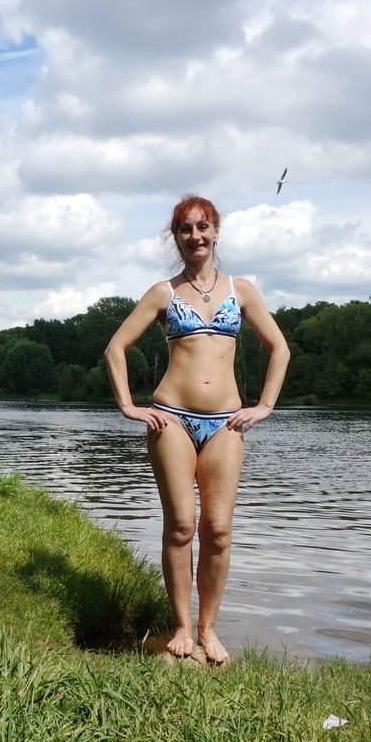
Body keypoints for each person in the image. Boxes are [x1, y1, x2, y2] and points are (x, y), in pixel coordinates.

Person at [104, 195, 290, 664]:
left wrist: (264, 405)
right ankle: (181, 627)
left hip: (226, 421)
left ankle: (208, 628)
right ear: (176, 236)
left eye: (203, 227)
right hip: (172, 417)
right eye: (186, 229)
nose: (196, 237)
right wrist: (128, 405)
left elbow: (280, 349)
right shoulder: (162, 293)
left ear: (216, 231)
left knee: (220, 530)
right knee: (183, 525)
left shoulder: (240, 290)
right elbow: (116, 347)